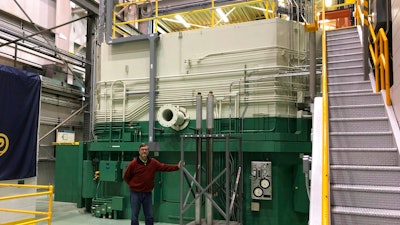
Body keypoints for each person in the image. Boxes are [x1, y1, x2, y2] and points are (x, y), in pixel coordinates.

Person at [123, 143, 182, 225]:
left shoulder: (153, 162)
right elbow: (126, 176)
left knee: (149, 215)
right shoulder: (133, 163)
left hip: (147, 193)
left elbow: (164, 167)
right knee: (134, 216)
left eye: (146, 149)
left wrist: (177, 167)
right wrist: (133, 185)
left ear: (148, 151)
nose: (144, 151)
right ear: (139, 151)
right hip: (135, 193)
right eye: (142, 149)